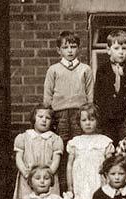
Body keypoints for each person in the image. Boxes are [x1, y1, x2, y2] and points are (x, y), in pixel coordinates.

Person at [43, 31, 94, 190]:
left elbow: (90, 93)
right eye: (66, 47)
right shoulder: (54, 70)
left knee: (79, 147)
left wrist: (87, 111)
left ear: (78, 48)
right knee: (63, 149)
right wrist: (49, 111)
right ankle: (64, 187)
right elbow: (47, 94)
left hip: (79, 114)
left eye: (73, 46)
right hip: (60, 115)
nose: (70, 50)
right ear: (59, 50)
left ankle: (79, 184)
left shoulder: (85, 69)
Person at [65, 103, 115, 199]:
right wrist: (70, 187)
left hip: (97, 180)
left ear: (97, 121)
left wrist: (110, 184)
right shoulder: (75, 142)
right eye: (84, 120)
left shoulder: (104, 141)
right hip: (81, 180)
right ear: (79, 122)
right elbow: (69, 165)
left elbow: (110, 165)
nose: (88, 123)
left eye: (91, 120)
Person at [13, 104, 62, 199]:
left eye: (48, 118)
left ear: (52, 121)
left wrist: (49, 174)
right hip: (28, 177)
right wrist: (26, 173)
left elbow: (56, 159)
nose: (44, 120)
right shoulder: (24, 137)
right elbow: (18, 158)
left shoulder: (54, 139)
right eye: (40, 116)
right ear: (33, 118)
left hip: (46, 178)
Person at [94, 29, 126, 145]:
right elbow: (98, 94)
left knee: (123, 144)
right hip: (107, 118)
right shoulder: (102, 70)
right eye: (116, 48)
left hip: (124, 117)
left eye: (124, 49)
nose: (121, 52)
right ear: (108, 50)